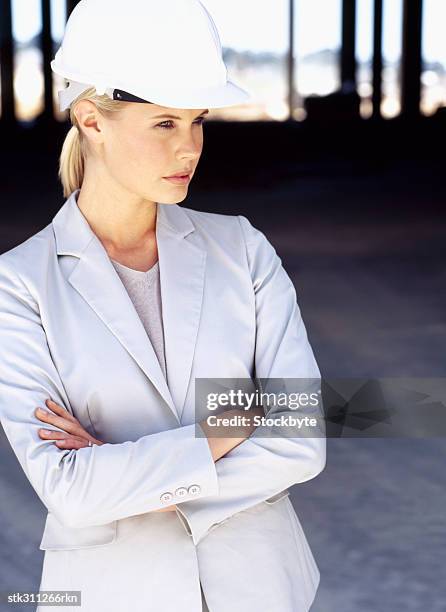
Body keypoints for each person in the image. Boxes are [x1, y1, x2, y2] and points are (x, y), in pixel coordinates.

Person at [0, 1, 326, 610]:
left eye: (198, 121)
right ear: (91, 118)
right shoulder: (18, 286)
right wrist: (225, 427)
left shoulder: (242, 250)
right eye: (164, 124)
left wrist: (129, 475)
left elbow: (302, 439)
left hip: (259, 589)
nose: (191, 148)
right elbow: (69, 491)